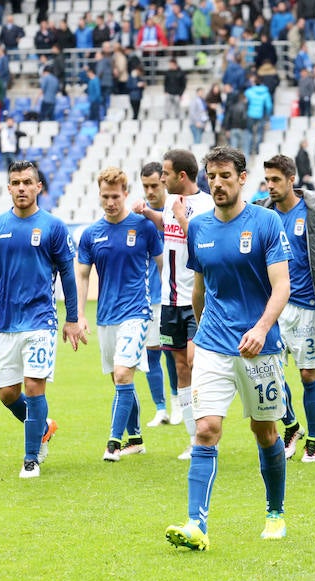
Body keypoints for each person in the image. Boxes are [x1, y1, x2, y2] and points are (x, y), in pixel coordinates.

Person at [165, 146, 292, 552]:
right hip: (214, 344)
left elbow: (282, 285)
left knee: (265, 431)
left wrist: (261, 328)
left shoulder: (267, 222)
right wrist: (203, 333)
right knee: (205, 429)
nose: (217, 183)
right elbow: (199, 289)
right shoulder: (198, 228)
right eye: (211, 176)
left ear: (241, 178)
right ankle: (195, 524)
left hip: (261, 348)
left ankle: (274, 512)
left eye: (224, 176)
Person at [0, 161, 86, 478]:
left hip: (40, 320)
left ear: (39, 187)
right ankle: (43, 427)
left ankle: (31, 457)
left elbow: (67, 274)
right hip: (6, 321)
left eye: (27, 182)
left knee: (35, 387)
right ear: (8, 188)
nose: (21, 187)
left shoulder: (53, 226)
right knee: (8, 394)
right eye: (15, 182)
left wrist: (72, 318)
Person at [257, 154, 315, 462]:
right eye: (267, 180)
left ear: (291, 179)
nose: (270, 186)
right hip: (272, 308)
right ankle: (292, 425)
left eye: (276, 180)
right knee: (267, 373)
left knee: (309, 375)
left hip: (307, 306)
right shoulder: (262, 215)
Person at [77, 167, 163, 461]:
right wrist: (79, 315)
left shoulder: (143, 227)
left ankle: (113, 443)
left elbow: (163, 265)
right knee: (119, 379)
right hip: (106, 316)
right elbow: (83, 276)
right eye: (105, 196)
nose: (110, 201)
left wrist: (169, 301)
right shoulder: (91, 234)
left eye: (115, 196)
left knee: (124, 373)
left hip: (137, 312)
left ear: (126, 194)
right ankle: (136, 438)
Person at [133, 149, 214, 459]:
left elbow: (202, 243)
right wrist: (148, 214)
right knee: (181, 367)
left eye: (165, 174)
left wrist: (180, 216)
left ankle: (207, 434)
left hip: (197, 298)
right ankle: (194, 438)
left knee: (196, 363)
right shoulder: (168, 203)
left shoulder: (206, 205)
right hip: (169, 300)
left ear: (182, 175)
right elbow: (166, 227)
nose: (161, 179)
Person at [139, 162, 178, 427]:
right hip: (148, 296)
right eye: (146, 186)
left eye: (154, 185)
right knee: (151, 353)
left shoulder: (175, 212)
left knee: (173, 353)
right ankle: (160, 409)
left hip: (173, 295)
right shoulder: (140, 217)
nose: (150, 190)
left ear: (164, 182)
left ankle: (177, 404)